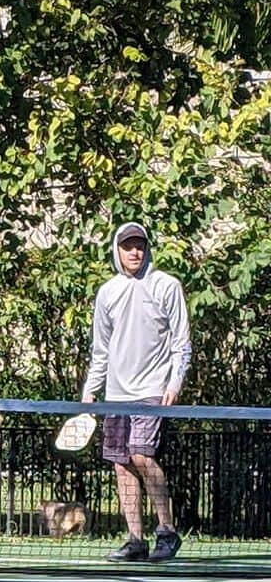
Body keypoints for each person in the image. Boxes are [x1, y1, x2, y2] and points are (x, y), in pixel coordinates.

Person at [82, 221, 191, 562]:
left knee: (142, 455)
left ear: (147, 249)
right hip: (116, 394)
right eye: (127, 245)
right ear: (117, 250)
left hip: (152, 391)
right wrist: (91, 389)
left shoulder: (166, 286)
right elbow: (100, 348)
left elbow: (181, 341)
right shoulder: (107, 292)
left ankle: (167, 531)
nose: (134, 251)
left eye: (139, 245)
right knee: (121, 464)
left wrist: (174, 383)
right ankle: (135, 540)